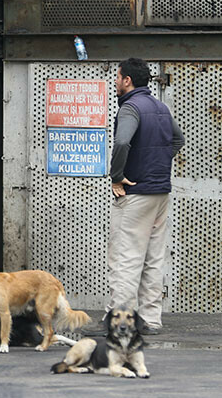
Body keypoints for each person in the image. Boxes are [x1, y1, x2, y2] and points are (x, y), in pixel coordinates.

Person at [80, 58, 184, 336]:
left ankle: (120, 321)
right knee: (153, 257)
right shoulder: (161, 107)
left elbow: (122, 142)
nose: (115, 81)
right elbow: (178, 139)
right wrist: (157, 162)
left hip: (136, 193)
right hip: (160, 193)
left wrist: (117, 176)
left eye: (117, 77)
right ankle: (150, 320)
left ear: (127, 80)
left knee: (125, 257)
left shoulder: (130, 107)